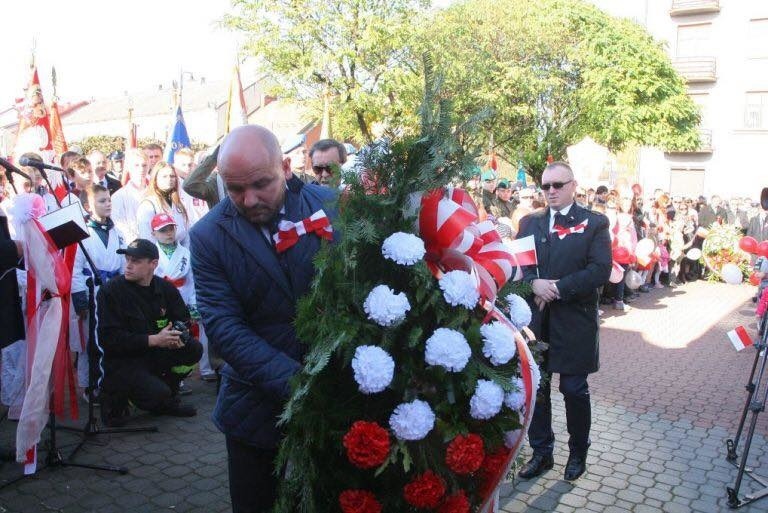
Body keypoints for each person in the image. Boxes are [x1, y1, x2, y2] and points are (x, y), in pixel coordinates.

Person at [190, 125, 337, 513]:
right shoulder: (207, 236)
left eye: (261, 184)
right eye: (236, 189)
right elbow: (225, 328)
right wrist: (303, 387)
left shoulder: (332, 205)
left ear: (286, 167)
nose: (249, 199)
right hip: (254, 405)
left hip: (338, 398)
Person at [515, 161, 611, 482]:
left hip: (574, 323)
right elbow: (520, 268)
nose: (551, 191)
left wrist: (556, 288)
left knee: (573, 389)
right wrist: (533, 284)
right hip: (537, 324)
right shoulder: (530, 223)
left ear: (573, 185)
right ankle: (542, 452)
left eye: (558, 185)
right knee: (538, 390)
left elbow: (600, 270)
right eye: (546, 186)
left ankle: (577, 453)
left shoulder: (594, 223)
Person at [96, 239, 202, 427]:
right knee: (154, 392)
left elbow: (183, 320)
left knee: (193, 348)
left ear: (153, 264)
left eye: (135, 261)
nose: (128, 266)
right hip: (125, 360)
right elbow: (109, 339)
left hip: (157, 352)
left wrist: (177, 335)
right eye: (127, 259)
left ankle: (169, 394)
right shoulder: (111, 291)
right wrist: (153, 340)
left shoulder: (166, 288)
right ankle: (118, 399)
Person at [71, 184, 126, 396]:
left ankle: (108, 380)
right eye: (102, 201)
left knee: (107, 337)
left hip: (112, 292)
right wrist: (81, 301)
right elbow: (75, 270)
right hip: (91, 292)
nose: (108, 204)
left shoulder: (117, 231)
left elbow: (122, 262)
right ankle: (89, 385)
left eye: (109, 199)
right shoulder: (82, 234)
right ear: (87, 206)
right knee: (90, 342)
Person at [151, 213, 215, 381]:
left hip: (184, 294)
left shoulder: (185, 252)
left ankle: (206, 368)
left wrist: (194, 303)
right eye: (163, 230)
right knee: (169, 335)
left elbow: (193, 280)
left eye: (171, 228)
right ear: (154, 233)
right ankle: (172, 376)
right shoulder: (151, 254)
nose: (168, 233)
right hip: (162, 298)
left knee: (199, 330)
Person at [136, 162, 190, 246]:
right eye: (164, 176)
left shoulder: (179, 204)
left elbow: (186, 235)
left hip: (181, 254)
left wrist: (185, 255)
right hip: (159, 256)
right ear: (155, 179)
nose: (169, 179)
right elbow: (147, 239)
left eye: (172, 176)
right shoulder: (148, 205)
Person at [111, 149, 149, 243]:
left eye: (144, 165)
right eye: (136, 165)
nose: (141, 169)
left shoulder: (155, 193)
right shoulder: (118, 196)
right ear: (128, 167)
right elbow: (118, 223)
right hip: (132, 246)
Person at [173, 148, 209, 226]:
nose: (187, 168)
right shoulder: (172, 187)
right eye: (183, 165)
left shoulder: (201, 185)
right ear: (175, 165)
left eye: (190, 165)